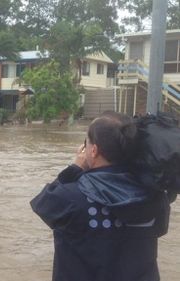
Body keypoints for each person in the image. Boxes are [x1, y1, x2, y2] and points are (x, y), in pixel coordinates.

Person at [30, 111, 170, 281]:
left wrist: (75, 168)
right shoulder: (155, 196)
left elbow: (42, 203)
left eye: (86, 143)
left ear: (94, 150)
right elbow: (160, 229)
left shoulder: (71, 196)